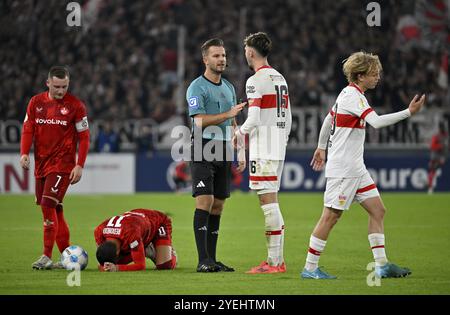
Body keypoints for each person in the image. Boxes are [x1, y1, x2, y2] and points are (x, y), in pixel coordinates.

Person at [301, 51, 425, 279]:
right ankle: (309, 268)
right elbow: (376, 122)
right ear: (359, 76)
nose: (378, 77)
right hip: (344, 169)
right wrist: (409, 112)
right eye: (373, 73)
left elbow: (329, 118)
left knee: (378, 210)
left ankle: (382, 265)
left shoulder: (349, 94)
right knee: (330, 216)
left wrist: (321, 146)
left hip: (356, 168)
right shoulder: (353, 97)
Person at [20, 66, 90, 270]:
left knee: (47, 206)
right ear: (48, 83)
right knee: (56, 209)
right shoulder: (35, 102)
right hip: (41, 164)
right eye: (57, 86)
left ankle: (46, 256)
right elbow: (28, 129)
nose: (61, 91)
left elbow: (84, 137)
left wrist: (79, 164)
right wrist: (24, 153)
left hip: (62, 165)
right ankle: (67, 255)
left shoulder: (76, 105)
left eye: (65, 86)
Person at [233, 32, 292, 274]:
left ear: (250, 52)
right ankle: (277, 260)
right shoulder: (280, 77)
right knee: (272, 201)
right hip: (277, 145)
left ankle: (274, 262)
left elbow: (254, 118)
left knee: (268, 204)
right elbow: (287, 116)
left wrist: (238, 134)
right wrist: (282, 139)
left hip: (264, 147)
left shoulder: (255, 80)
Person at [186, 38, 246, 272]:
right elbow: (199, 121)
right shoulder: (196, 87)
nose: (222, 60)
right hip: (203, 145)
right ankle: (203, 260)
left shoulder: (229, 87)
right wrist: (228, 113)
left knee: (218, 204)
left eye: (223, 56)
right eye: (216, 56)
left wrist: (239, 150)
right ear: (205, 59)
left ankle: (212, 259)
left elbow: (233, 122)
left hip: (224, 148)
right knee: (205, 201)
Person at [95, 208, 177, 272]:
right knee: (118, 261)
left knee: (164, 266)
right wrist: (104, 267)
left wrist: (117, 268)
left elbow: (141, 266)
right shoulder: (99, 231)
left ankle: (169, 252)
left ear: (117, 252)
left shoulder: (131, 233)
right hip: (137, 223)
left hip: (158, 221)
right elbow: (102, 263)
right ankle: (143, 247)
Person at [427, 122, 448, 194]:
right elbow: (432, 146)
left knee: (432, 171)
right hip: (435, 157)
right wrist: (440, 147)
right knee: (432, 171)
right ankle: (430, 187)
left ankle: (430, 187)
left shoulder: (445, 136)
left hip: (440, 157)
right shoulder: (437, 136)